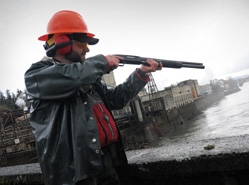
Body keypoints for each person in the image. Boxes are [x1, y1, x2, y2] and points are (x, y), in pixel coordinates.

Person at [24, 10, 162, 185]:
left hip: (105, 162)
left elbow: (115, 99)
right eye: (82, 42)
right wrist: (102, 62)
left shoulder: (86, 75)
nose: (87, 48)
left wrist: (140, 74)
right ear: (62, 43)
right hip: (74, 175)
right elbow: (71, 77)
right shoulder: (37, 76)